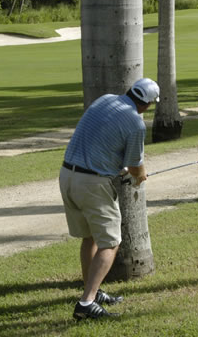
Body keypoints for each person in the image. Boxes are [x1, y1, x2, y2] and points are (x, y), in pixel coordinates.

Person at [59, 78, 160, 320]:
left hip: (67, 175)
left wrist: (120, 168)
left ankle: (92, 292)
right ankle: (86, 303)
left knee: (90, 237)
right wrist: (140, 176)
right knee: (110, 242)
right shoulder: (136, 123)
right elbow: (136, 166)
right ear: (146, 104)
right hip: (92, 184)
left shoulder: (105, 100)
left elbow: (104, 144)